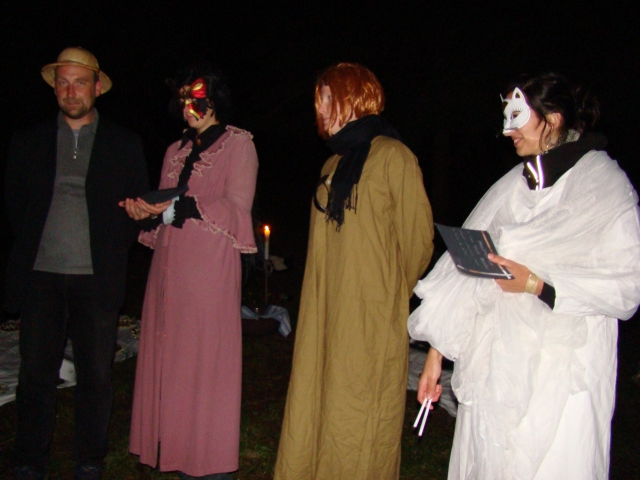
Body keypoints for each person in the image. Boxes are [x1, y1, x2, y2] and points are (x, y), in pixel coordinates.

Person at [409, 73, 640, 479]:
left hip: (563, 372)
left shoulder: (605, 188)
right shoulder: (514, 186)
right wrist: (435, 355)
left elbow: (626, 285)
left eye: (517, 117)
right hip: (496, 366)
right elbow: (466, 272)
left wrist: (536, 285)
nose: (507, 130)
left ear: (552, 119)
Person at [274, 63, 434, 480]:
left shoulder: (394, 156)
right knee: (316, 406)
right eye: (320, 101)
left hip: (369, 319)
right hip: (324, 314)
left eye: (330, 98)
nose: (322, 109)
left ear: (357, 97)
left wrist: (383, 295)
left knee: (360, 419)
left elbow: (418, 242)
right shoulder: (331, 165)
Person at [5, 47, 149, 480]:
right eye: (63, 83)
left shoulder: (124, 144)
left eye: (80, 82)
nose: (71, 92)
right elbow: (15, 205)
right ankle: (29, 460)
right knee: (35, 375)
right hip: (41, 276)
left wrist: (113, 246)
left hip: (97, 277)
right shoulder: (28, 141)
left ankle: (89, 460)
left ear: (97, 87)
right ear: (55, 88)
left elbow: (136, 208)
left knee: (96, 376)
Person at [125, 63, 258, 480]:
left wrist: (184, 206)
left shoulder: (238, 145)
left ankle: (208, 462)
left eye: (196, 99)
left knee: (204, 361)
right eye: (182, 101)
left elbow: (238, 209)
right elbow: (165, 210)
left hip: (209, 271)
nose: (188, 108)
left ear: (215, 99)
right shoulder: (174, 150)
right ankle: (177, 450)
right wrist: (146, 212)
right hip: (168, 269)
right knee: (171, 361)